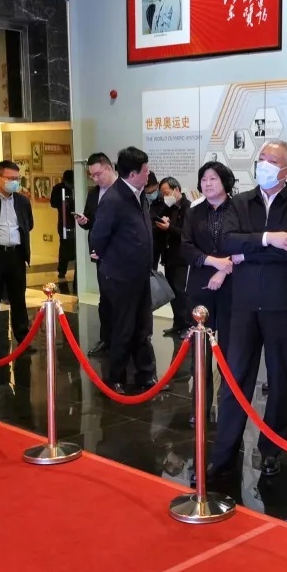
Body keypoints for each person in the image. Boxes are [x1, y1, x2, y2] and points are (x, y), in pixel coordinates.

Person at [206, 140, 287, 480]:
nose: (264, 164)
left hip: (283, 303)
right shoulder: (240, 202)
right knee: (235, 377)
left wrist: (246, 251)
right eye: (262, 157)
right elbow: (227, 241)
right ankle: (224, 454)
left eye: (273, 160)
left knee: (280, 379)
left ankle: (272, 450)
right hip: (244, 303)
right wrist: (268, 239)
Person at [89, 146, 158, 394]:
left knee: (143, 327)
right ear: (133, 174)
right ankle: (115, 377)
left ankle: (146, 375)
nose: (149, 174)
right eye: (146, 170)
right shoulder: (114, 199)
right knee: (123, 328)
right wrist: (109, 259)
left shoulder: (138, 195)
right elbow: (98, 237)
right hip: (120, 277)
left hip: (140, 275)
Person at [180, 161, 237, 423]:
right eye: (204, 179)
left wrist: (224, 270)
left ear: (225, 181)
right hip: (200, 286)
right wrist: (213, 262)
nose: (208, 183)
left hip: (232, 286)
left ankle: (229, 406)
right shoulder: (194, 212)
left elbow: (245, 245)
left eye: (213, 178)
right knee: (200, 350)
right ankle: (200, 406)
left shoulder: (239, 209)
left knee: (230, 349)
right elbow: (186, 247)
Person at [0, 160, 36, 348]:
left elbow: (29, 224)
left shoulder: (22, 201)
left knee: (18, 297)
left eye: (17, 178)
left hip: (16, 254)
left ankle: (23, 338)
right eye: (10, 178)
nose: (14, 182)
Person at [77, 153, 117, 355]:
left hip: (121, 255)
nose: (95, 179)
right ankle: (106, 339)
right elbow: (91, 221)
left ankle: (124, 341)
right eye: (91, 176)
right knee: (106, 298)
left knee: (123, 300)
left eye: (98, 174)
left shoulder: (124, 191)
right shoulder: (94, 194)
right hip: (101, 254)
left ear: (108, 168)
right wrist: (84, 221)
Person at [154, 176, 191, 337]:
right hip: (168, 256)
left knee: (181, 292)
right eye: (162, 194)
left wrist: (169, 228)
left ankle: (187, 326)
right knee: (172, 292)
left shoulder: (188, 208)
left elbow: (186, 234)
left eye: (167, 192)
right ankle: (177, 324)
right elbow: (155, 219)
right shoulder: (169, 207)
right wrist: (164, 207)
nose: (165, 196)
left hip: (181, 257)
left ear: (177, 190)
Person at [50, 170, 77, 281]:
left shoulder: (76, 187)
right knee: (64, 247)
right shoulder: (58, 188)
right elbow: (53, 203)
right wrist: (64, 202)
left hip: (76, 220)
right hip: (65, 221)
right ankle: (62, 271)